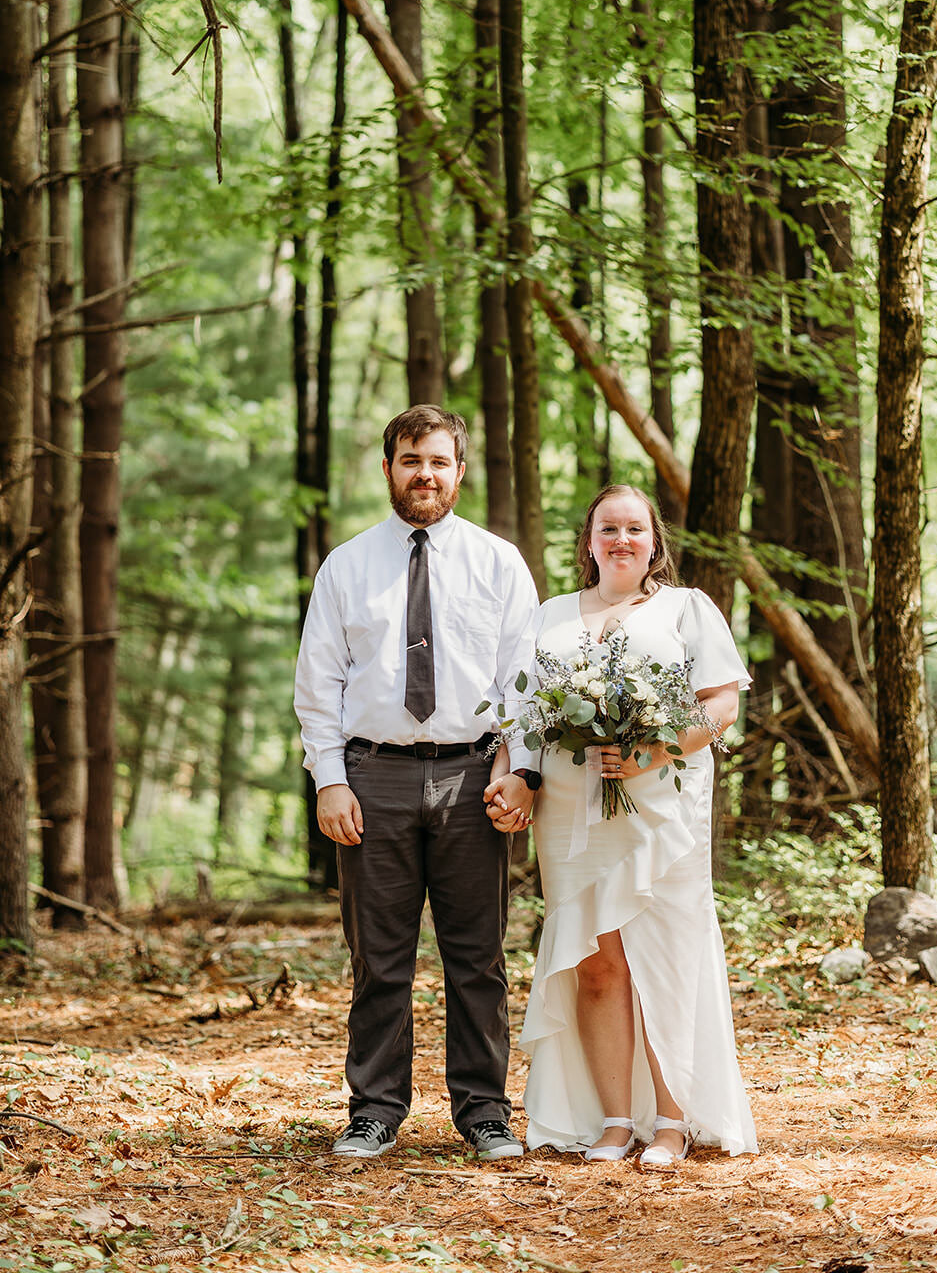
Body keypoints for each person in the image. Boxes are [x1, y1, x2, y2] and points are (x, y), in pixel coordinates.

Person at [295, 405, 541, 1161]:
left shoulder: (499, 564)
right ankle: (374, 1110)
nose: (424, 474)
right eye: (410, 460)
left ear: (459, 472)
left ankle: (484, 1112)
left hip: (474, 776)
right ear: (388, 469)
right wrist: (330, 780)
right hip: (375, 776)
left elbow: (524, 683)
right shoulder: (346, 566)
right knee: (379, 959)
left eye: (437, 461)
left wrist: (522, 770)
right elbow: (319, 683)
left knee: (478, 958)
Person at [488, 484, 757, 1167]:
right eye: (607, 528)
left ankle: (670, 1121)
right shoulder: (549, 615)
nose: (620, 540)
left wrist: (652, 750)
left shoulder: (685, 609)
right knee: (595, 962)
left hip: (660, 808)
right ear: (587, 541)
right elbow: (518, 718)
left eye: (633, 528)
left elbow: (720, 705)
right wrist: (514, 776)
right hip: (571, 810)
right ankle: (611, 1120)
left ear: (652, 542)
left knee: (664, 958)